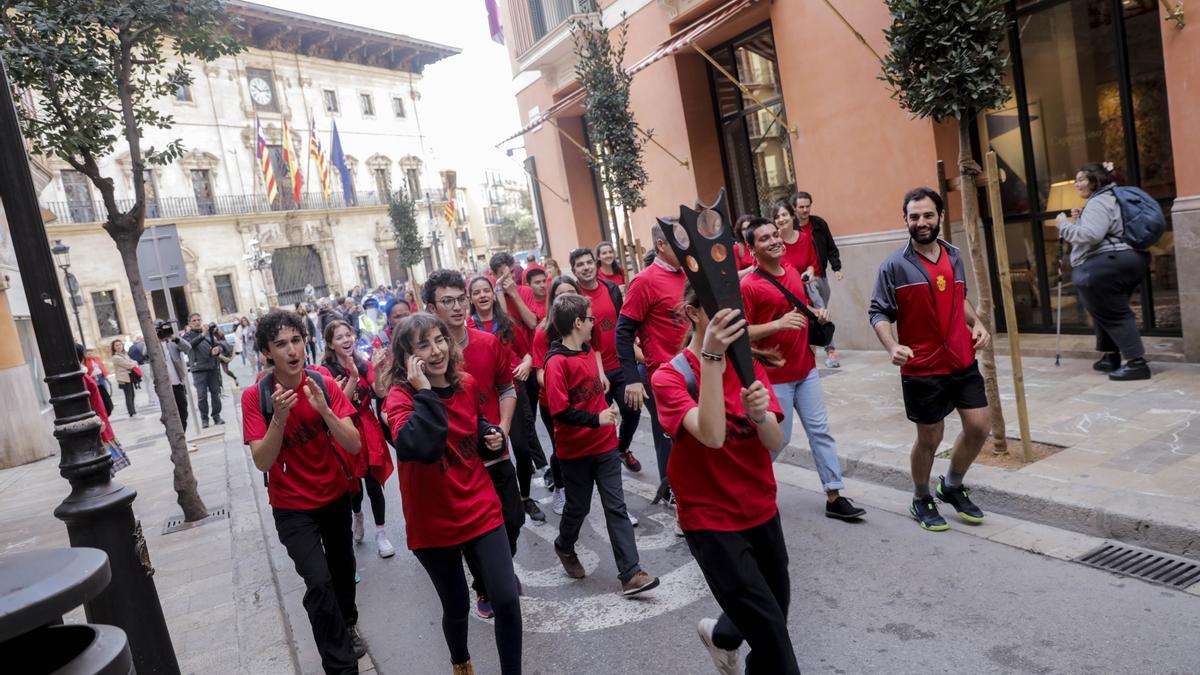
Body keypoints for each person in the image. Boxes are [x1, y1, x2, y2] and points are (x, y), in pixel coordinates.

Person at [651, 284, 799, 674]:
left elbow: (775, 441)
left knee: (772, 617)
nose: (732, 316)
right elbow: (713, 435)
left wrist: (760, 415)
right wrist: (712, 356)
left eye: (736, 308)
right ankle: (732, 640)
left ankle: (722, 637)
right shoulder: (670, 376)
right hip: (712, 522)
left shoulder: (749, 364)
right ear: (692, 313)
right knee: (775, 644)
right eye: (719, 308)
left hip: (761, 509)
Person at [383, 312, 522, 675]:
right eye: (423, 345)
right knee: (457, 605)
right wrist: (425, 393)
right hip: (434, 521)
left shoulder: (466, 383)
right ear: (406, 358)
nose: (436, 350)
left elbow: (471, 429)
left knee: (506, 600)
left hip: (479, 505)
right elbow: (418, 445)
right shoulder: (398, 399)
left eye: (439, 339)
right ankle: (460, 660)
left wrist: (490, 434)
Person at [241, 309, 366, 673]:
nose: (292, 350)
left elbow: (354, 444)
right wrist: (278, 418)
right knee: (319, 583)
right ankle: (341, 666)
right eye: (281, 344)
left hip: (333, 495)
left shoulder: (322, 381)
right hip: (292, 507)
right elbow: (262, 461)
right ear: (267, 352)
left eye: (296, 340)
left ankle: (349, 622)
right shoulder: (256, 397)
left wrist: (324, 410)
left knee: (342, 572)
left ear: (306, 341)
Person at [869, 187, 991, 532]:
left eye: (927, 215)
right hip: (922, 366)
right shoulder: (893, 266)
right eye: (913, 217)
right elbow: (878, 311)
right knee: (930, 438)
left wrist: (977, 323)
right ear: (906, 220)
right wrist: (892, 346)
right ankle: (921, 496)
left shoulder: (953, 256)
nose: (921, 222)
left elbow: (959, 297)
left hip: (962, 359)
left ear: (939, 216)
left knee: (980, 427)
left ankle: (951, 486)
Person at [740, 217, 866, 521]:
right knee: (776, 441)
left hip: (805, 369)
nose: (774, 241)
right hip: (773, 378)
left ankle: (834, 496)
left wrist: (816, 312)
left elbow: (798, 310)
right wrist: (777, 324)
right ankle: (746, 489)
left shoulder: (794, 273)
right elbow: (740, 332)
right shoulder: (748, 285)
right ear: (751, 249)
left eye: (775, 234)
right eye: (764, 238)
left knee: (820, 432)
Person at [423, 270, 524, 620]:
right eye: (446, 301)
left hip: (495, 450)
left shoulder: (487, 342)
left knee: (512, 518)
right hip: (458, 461)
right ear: (432, 309)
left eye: (460, 299)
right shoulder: (426, 358)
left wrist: (504, 429)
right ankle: (486, 584)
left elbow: (507, 388)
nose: (456, 307)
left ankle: (499, 570)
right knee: (472, 531)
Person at [545, 294, 659, 597]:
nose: (595, 322)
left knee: (616, 507)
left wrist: (607, 404)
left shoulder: (587, 350)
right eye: (591, 317)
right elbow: (559, 411)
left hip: (605, 447)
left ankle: (631, 573)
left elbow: (595, 381)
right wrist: (596, 419)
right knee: (578, 508)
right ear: (578, 323)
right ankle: (564, 546)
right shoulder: (556, 362)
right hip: (575, 453)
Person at [1051, 162, 1151, 381]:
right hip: (1125, 259)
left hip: (1106, 263)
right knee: (1103, 308)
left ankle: (1137, 363)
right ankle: (1110, 356)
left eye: (1080, 179)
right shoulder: (1110, 198)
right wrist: (1080, 220)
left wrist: (1063, 224)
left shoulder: (1099, 201)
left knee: (1113, 312)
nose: (1076, 185)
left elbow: (1091, 236)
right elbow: (1101, 231)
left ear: (1095, 181)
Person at [467, 275, 546, 524]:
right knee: (489, 453)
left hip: (512, 391)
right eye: (476, 292)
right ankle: (495, 503)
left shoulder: (507, 323)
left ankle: (524, 497)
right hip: (479, 399)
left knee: (522, 449)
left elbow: (528, 353)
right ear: (470, 298)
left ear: (493, 294)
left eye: (486, 291)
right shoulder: (467, 326)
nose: (482, 295)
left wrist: (526, 364)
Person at [616, 220, 689, 490]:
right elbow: (622, 334)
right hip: (663, 375)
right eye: (681, 241)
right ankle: (674, 495)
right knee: (670, 439)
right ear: (661, 245)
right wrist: (632, 379)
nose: (687, 246)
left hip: (696, 370)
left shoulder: (690, 273)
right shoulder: (643, 281)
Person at [321, 320, 396, 560]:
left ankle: (381, 533)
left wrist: (380, 368)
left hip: (368, 426)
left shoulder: (363, 363)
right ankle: (357, 515)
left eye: (348, 335)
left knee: (374, 483)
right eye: (339, 337)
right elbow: (336, 406)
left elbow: (382, 392)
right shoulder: (326, 371)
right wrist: (352, 377)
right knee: (354, 487)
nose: (345, 340)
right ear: (331, 344)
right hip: (344, 429)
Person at [570, 246, 642, 473]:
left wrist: (635, 345)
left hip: (620, 363)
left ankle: (622, 448)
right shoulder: (574, 297)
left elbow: (624, 323)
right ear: (574, 270)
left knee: (633, 409)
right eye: (580, 265)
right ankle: (607, 463)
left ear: (596, 264)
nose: (586, 268)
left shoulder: (611, 288)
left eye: (588, 262)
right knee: (601, 422)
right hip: (592, 370)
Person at [793, 191, 844, 368]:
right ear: (795, 208)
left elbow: (831, 247)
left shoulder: (819, 224)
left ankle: (817, 348)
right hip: (799, 279)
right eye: (801, 207)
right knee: (816, 312)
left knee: (820, 311)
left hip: (819, 275)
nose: (805, 209)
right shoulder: (791, 228)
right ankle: (830, 351)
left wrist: (836, 268)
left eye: (808, 206)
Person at [78, 343, 130, 476]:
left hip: (96, 418)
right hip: (96, 418)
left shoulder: (83, 377)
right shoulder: (84, 376)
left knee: (102, 453)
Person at [182, 312, 228, 428]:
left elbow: (219, 344)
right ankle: (204, 419)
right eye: (194, 320)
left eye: (199, 319)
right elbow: (189, 345)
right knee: (202, 396)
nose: (197, 322)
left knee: (215, 394)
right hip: (198, 369)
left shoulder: (209, 333)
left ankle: (216, 416)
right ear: (189, 323)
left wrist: (218, 349)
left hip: (212, 367)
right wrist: (202, 335)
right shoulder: (187, 336)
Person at [157, 320, 191, 433]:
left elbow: (187, 347)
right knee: (169, 413)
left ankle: (182, 436)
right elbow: (144, 353)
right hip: (164, 386)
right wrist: (155, 339)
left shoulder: (173, 343)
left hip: (177, 383)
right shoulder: (153, 346)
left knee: (183, 410)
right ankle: (175, 438)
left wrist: (174, 338)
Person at [111, 339, 139, 418]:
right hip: (123, 379)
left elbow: (133, 361)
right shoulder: (116, 357)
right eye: (116, 345)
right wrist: (133, 363)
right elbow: (129, 365)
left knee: (132, 395)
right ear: (114, 348)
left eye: (120, 344)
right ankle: (132, 413)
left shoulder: (125, 355)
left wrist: (133, 363)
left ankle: (133, 412)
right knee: (128, 396)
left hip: (129, 377)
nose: (119, 346)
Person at [84, 348, 114, 416]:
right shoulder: (86, 361)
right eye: (89, 354)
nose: (91, 355)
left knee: (105, 389)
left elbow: (102, 366)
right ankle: (101, 402)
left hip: (101, 376)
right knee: (98, 391)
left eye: (91, 353)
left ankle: (107, 401)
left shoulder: (96, 358)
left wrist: (105, 375)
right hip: (93, 378)